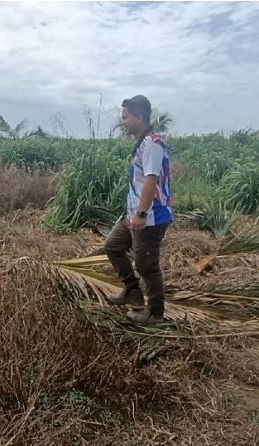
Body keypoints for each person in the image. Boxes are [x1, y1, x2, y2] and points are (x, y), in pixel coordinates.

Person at [104, 95, 173, 325]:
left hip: (150, 216)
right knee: (113, 246)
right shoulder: (143, 142)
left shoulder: (153, 143)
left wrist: (141, 214)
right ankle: (132, 292)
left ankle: (155, 313)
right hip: (134, 214)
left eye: (126, 117)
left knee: (146, 265)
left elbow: (151, 180)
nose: (123, 121)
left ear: (139, 117)